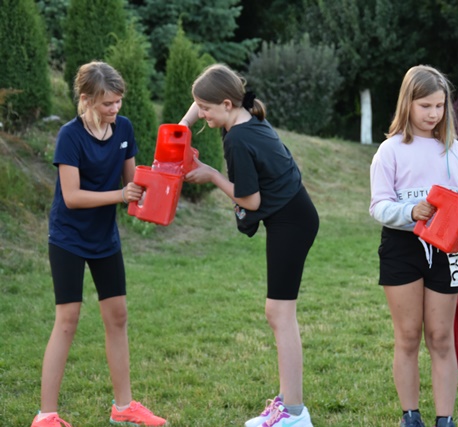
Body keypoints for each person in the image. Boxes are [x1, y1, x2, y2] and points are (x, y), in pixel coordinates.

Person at [179, 63, 319, 427]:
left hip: (291, 222)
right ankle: (289, 406)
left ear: (226, 104)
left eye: (206, 109)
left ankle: (294, 415)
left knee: (279, 314)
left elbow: (251, 200)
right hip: (295, 215)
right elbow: (204, 96)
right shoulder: (245, 115)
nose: (202, 115)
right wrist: (182, 129)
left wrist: (211, 175)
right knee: (279, 314)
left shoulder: (237, 140)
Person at [31, 61, 166, 427]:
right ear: (87, 99)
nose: (115, 109)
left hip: (105, 237)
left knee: (118, 316)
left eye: (118, 101)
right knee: (67, 320)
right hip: (69, 238)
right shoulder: (70, 136)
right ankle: (46, 416)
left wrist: (166, 177)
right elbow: (72, 196)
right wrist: (121, 195)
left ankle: (123, 407)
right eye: (108, 103)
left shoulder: (124, 128)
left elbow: (134, 183)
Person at [369, 65, 458, 427]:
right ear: (408, 103)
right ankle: (410, 416)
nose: (433, 114)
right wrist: (410, 211)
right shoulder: (390, 150)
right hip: (401, 249)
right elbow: (378, 206)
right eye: (425, 106)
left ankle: (445, 419)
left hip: (447, 250)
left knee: (441, 337)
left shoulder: (452, 150)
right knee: (409, 335)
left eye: (439, 106)